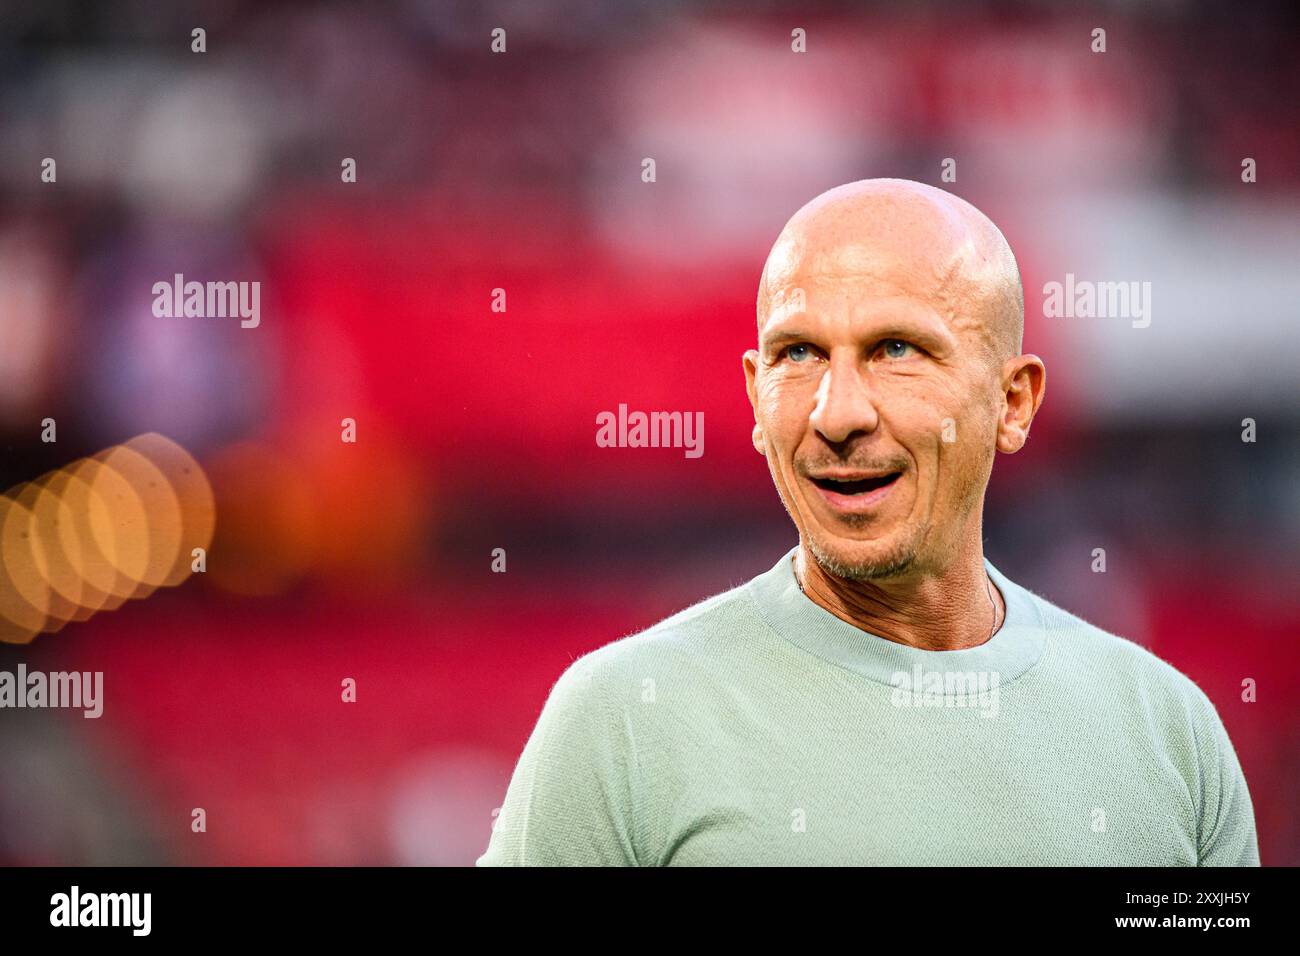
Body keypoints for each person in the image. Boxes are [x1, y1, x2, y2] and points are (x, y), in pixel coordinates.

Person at [476, 178, 1260, 866]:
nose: (837, 413)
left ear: (1011, 402)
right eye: (798, 355)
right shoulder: (622, 721)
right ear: (754, 397)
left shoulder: (1170, 737)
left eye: (896, 349)